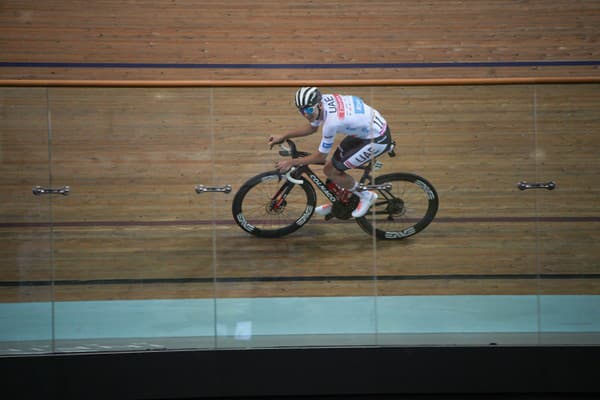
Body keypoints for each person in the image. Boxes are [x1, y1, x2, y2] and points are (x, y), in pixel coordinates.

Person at [268, 87, 393, 218]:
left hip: (376, 139)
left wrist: (292, 162)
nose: (306, 114)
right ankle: (342, 200)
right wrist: (283, 136)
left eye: (309, 110)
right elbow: (312, 127)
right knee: (329, 168)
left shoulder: (331, 123)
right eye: (301, 111)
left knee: (333, 171)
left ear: (320, 105)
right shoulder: (320, 102)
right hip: (365, 130)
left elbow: (320, 156)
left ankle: (366, 195)